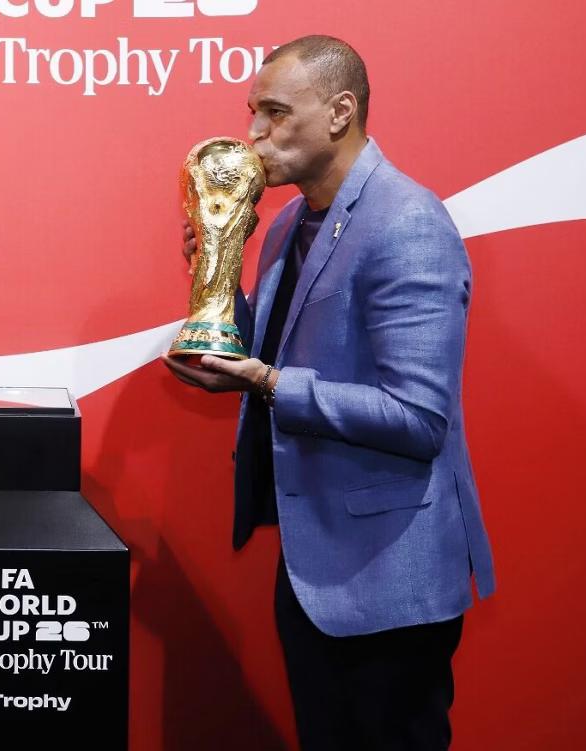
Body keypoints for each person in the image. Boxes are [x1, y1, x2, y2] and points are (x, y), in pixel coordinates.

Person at [163, 36, 496, 750]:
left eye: (276, 113)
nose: (255, 133)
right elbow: (265, 353)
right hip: (315, 571)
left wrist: (272, 384)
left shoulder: (408, 223)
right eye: (253, 112)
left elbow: (417, 418)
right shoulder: (288, 221)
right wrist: (217, 285)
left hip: (389, 585)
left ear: (341, 111)